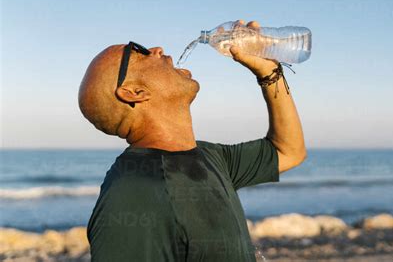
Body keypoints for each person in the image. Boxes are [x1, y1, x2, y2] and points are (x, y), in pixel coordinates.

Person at [78, 20, 307, 262]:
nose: (156, 49)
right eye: (139, 52)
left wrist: (269, 72)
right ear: (134, 92)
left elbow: (288, 151)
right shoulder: (132, 193)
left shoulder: (208, 156)